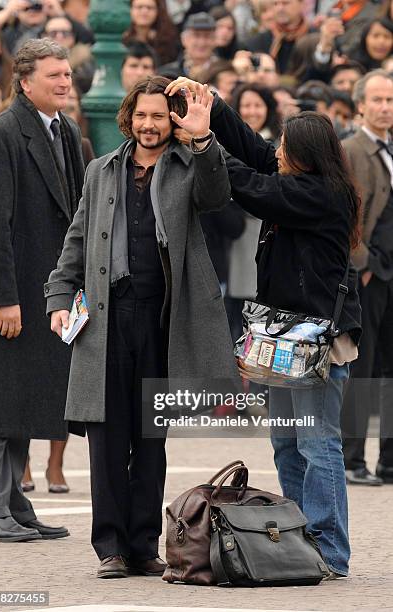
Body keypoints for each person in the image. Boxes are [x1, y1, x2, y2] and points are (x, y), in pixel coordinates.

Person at [166, 76, 362, 579]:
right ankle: (299, 541)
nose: (275, 150)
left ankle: (330, 549)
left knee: (318, 445)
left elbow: (252, 186)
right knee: (286, 443)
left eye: (284, 147)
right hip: (282, 338)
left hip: (316, 340)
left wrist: (204, 141)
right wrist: (211, 103)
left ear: (306, 156)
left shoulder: (320, 194)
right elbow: (254, 152)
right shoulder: (302, 179)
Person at [45, 76, 238, 579]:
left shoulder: (189, 166)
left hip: (162, 320)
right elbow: (77, 240)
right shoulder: (100, 170)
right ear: (128, 117)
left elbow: (218, 196)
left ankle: (144, 545)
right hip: (106, 321)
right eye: (142, 116)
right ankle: (109, 546)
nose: (149, 125)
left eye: (159, 116)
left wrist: (203, 139)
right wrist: (58, 295)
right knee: (107, 437)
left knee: (152, 440)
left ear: (171, 120)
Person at [0, 38, 85, 542]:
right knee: (0, 403)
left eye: (67, 75)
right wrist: (4, 297)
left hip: (46, 292)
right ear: (25, 82)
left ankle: (14, 505)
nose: (65, 83)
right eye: (54, 76)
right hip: (14, 294)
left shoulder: (65, 129)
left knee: (26, 399)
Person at [341, 70, 393, 485]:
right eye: (377, 99)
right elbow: (344, 217)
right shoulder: (351, 150)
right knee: (364, 366)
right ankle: (352, 459)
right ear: (360, 104)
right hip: (369, 274)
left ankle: (389, 461)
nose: (385, 107)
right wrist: (363, 265)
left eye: (391, 100)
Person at [158, 12, 217, 80]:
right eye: (196, 35)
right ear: (184, 39)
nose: (202, 42)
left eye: (207, 36)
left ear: (214, 40)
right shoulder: (167, 74)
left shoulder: (224, 72)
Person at [122, 0, 179, 66]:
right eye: (139, 7)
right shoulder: (123, 37)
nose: (144, 11)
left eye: (149, 7)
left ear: (158, 11)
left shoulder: (169, 39)